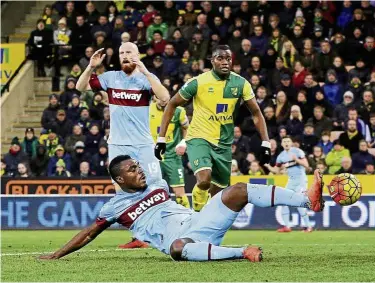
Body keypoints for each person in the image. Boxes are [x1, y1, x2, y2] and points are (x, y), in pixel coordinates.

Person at [38, 155, 326, 262]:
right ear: (119, 179)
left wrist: (219, 195)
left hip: (201, 222)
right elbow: (90, 233)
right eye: (131, 169)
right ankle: (242, 252)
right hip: (184, 241)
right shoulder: (114, 207)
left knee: (237, 189)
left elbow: (211, 193)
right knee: (176, 248)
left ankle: (306, 200)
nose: (139, 171)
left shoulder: (159, 184)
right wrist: (56, 254)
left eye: (138, 166)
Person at [76, 42, 170, 249]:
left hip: (144, 144)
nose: (125, 56)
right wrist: (91, 67)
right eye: (122, 53)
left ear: (137, 55)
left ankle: (165, 229)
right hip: (118, 145)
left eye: (129, 52)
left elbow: (165, 97)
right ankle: (139, 235)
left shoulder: (145, 79)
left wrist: (145, 70)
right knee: (123, 192)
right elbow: (80, 87)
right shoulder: (111, 78)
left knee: (157, 185)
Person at [155, 45, 271, 213]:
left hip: (224, 143)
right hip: (198, 137)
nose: (225, 62)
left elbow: (256, 113)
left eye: (228, 59)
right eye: (220, 58)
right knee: (204, 180)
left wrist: (266, 142)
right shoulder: (198, 82)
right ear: (212, 61)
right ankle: (197, 209)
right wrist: (161, 139)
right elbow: (172, 104)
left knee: (219, 195)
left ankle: (206, 218)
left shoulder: (241, 84)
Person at [264, 137, 313, 233]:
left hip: (301, 181)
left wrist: (297, 160)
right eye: (284, 141)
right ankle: (287, 226)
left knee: (299, 203)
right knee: (283, 202)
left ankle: (309, 226)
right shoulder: (281, 156)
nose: (286, 143)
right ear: (281, 144)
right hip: (291, 181)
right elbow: (276, 171)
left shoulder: (298, 151)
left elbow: (307, 165)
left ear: (291, 143)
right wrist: (268, 166)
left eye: (288, 141)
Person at [149, 98, 191, 209]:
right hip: (153, 158)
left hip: (173, 157)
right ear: (154, 98)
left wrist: (183, 142)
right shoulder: (147, 110)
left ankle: (188, 221)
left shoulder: (179, 111)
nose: (162, 100)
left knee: (180, 194)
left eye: (165, 98)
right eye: (159, 97)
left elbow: (187, 128)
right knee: (153, 194)